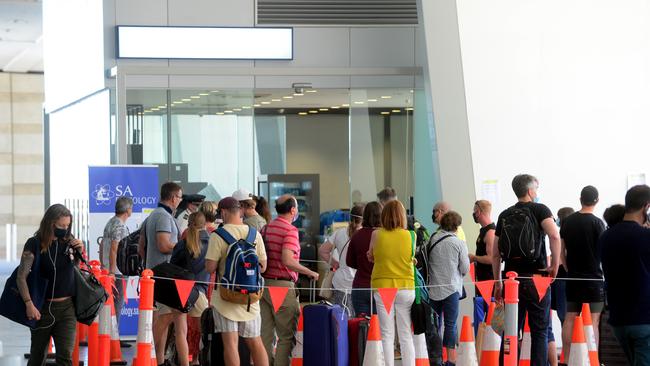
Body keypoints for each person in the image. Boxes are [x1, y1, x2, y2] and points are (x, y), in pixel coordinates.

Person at [492, 174, 560, 366]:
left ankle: (506, 363)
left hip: (511, 280)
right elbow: (554, 235)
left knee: (511, 329)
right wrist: (554, 266)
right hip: (537, 278)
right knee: (540, 331)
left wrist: (498, 283)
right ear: (530, 191)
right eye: (536, 189)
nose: (537, 193)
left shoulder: (504, 215)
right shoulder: (540, 209)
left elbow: (496, 254)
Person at [17, 204, 84, 366]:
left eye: (68, 225)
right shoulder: (34, 243)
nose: (65, 229)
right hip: (42, 309)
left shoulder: (69, 241)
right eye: (61, 225)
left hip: (67, 309)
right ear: (50, 223)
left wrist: (79, 251)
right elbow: (21, 277)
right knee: (38, 357)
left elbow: (73, 270)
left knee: (65, 357)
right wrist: (28, 303)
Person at [205, 197, 269, 366]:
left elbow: (210, 268)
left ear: (224, 212)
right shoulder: (255, 234)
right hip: (250, 298)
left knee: (230, 345)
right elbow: (263, 267)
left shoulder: (218, 235)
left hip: (225, 298)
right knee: (256, 343)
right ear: (240, 211)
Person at [259, 194, 319, 366]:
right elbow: (287, 260)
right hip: (283, 287)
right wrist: (309, 272)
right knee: (286, 337)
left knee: (266, 336)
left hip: (264, 286)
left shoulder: (266, 228)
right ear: (293, 210)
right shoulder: (290, 231)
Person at [600, 185, 650, 364]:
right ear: (646, 206)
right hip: (645, 316)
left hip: (619, 318)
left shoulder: (606, 237)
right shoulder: (645, 236)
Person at [138, 181, 186, 366]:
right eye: (179, 197)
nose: (180, 201)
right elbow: (163, 244)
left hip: (156, 274)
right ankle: (147, 352)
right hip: (165, 275)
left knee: (162, 319)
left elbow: (142, 247)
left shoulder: (152, 216)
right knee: (165, 319)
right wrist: (183, 246)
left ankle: (157, 360)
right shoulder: (164, 217)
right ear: (173, 198)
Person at [560, 186, 606, 360]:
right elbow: (603, 251)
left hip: (573, 278)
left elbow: (561, 250)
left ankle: (568, 358)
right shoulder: (597, 223)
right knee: (593, 320)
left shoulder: (568, 221)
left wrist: (567, 268)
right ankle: (592, 359)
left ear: (580, 199)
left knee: (570, 317)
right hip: (594, 279)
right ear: (597, 201)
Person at [367, 200, 415, 366]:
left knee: (387, 334)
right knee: (406, 334)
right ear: (402, 216)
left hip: (383, 287)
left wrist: (372, 255)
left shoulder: (376, 234)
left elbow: (371, 256)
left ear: (384, 216)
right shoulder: (411, 235)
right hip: (406, 286)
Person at [428, 211, 470, 365]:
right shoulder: (459, 243)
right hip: (451, 289)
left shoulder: (432, 239)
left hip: (433, 290)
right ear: (456, 226)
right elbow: (465, 269)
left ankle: (436, 358)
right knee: (450, 324)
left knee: (434, 325)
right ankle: (451, 360)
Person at [171, 212, 210, 366]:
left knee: (181, 332)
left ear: (189, 224)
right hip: (200, 292)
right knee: (205, 332)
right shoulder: (211, 242)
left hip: (181, 290)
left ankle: (185, 363)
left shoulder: (182, 243)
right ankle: (198, 360)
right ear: (205, 224)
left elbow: (173, 266)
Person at [318, 204, 364, 315]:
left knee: (342, 320)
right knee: (359, 322)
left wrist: (336, 263)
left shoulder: (339, 233)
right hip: (359, 284)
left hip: (340, 283)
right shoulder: (367, 236)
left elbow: (322, 250)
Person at [99, 196, 132, 332]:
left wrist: (103, 265)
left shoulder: (111, 222)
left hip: (108, 269)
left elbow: (102, 244)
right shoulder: (120, 225)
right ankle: (113, 335)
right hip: (117, 272)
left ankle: (110, 334)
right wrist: (112, 271)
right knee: (117, 303)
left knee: (110, 304)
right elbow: (114, 248)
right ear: (128, 210)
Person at [347, 201, 382, 316]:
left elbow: (349, 261)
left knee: (362, 326)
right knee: (379, 327)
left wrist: (363, 264)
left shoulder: (357, 235)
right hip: (381, 288)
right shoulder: (385, 236)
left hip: (360, 286)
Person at [468, 200, 495, 334]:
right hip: (482, 281)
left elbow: (491, 259)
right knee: (482, 317)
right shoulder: (483, 231)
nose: (473, 214)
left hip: (489, 282)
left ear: (479, 211)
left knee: (490, 317)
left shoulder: (490, 232)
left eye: (474, 211)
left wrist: (474, 258)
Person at [552, 207, 575, 324]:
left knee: (564, 315)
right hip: (571, 276)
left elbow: (561, 255)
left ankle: (568, 342)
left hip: (563, 277)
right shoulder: (576, 232)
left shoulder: (563, 232)